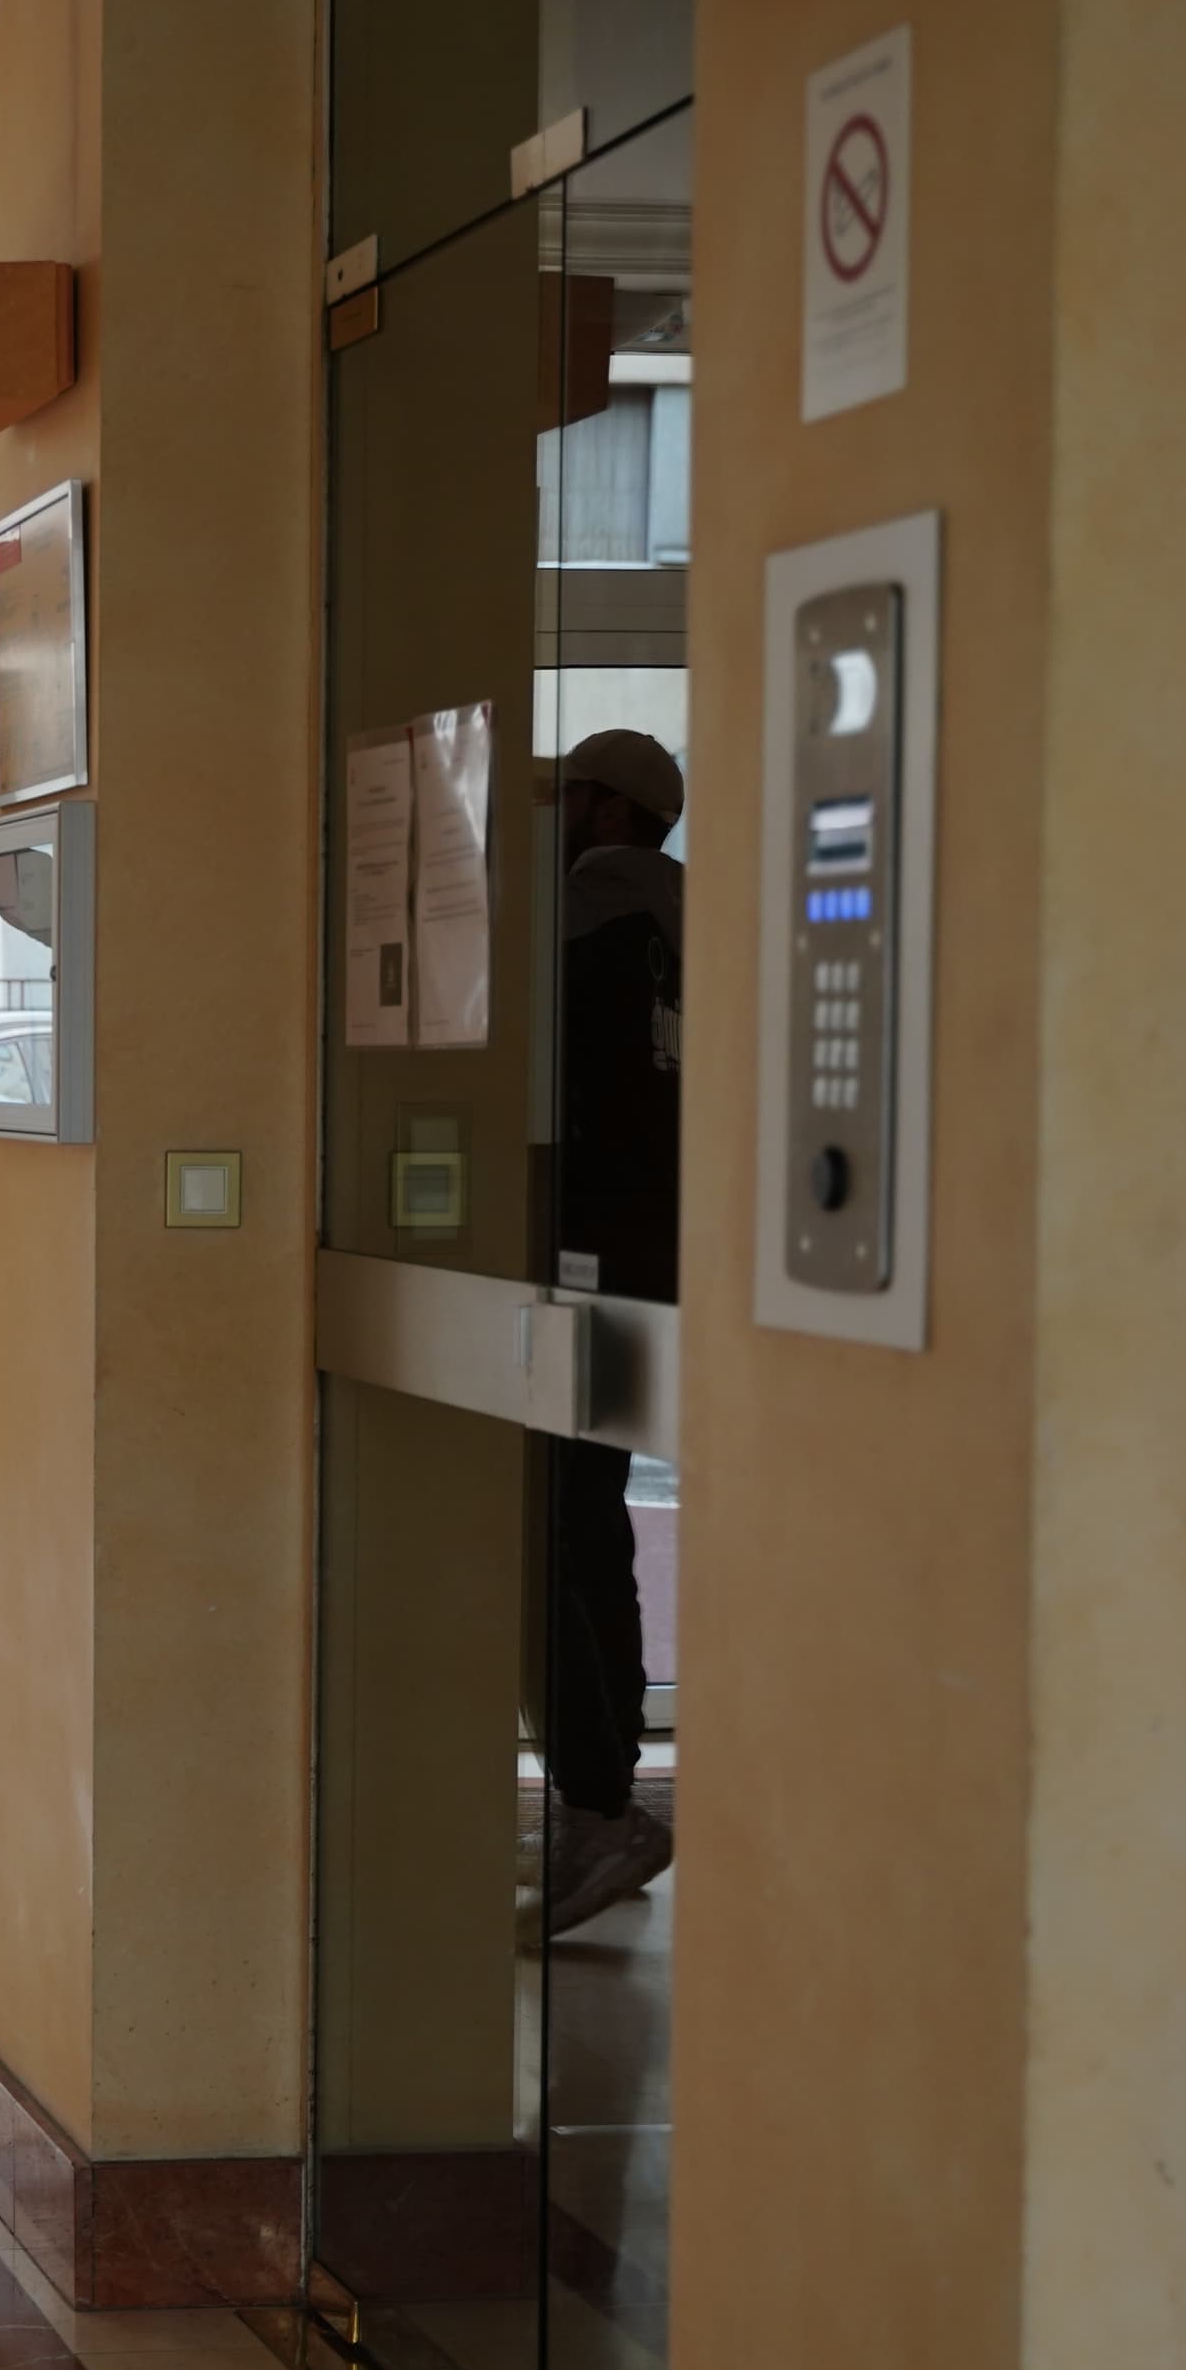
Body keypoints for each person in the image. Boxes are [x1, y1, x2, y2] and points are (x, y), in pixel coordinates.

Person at [543, 726, 684, 1934]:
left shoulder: (588, 922)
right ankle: (606, 1790)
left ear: (606, 814)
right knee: (592, 1523)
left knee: (553, 1532)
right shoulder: (688, 930)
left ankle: (598, 1805)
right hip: (654, 1271)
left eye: (567, 792)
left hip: (575, 1266)